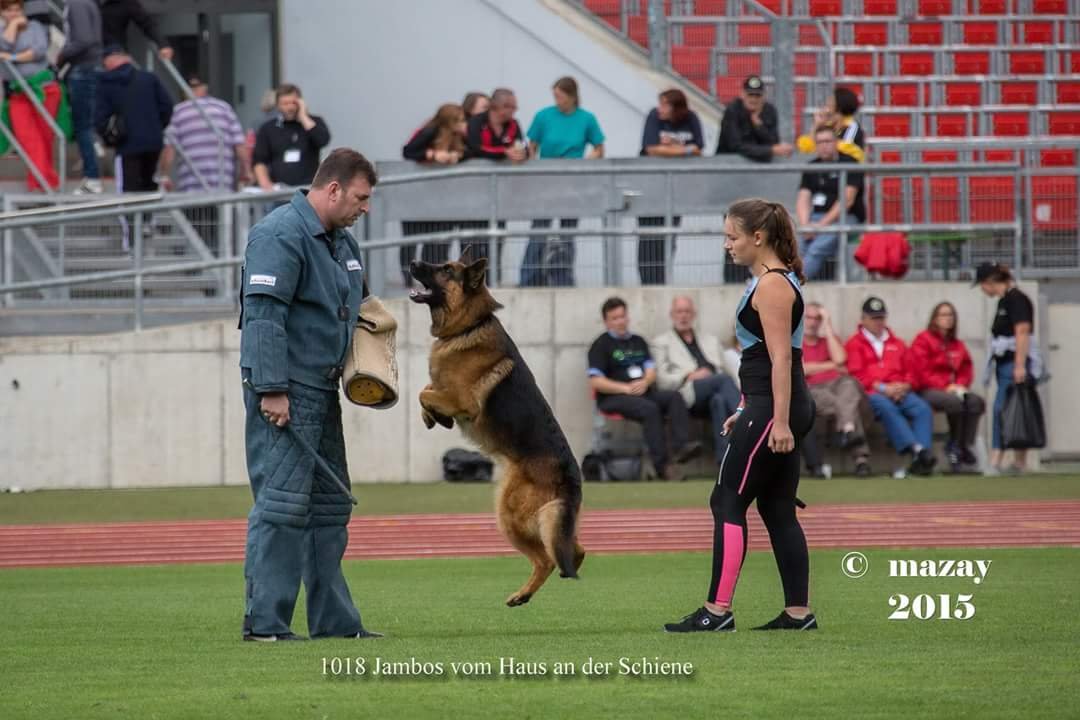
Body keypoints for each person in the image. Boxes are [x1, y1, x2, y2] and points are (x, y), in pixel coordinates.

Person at [238, 148, 383, 642]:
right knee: (280, 505)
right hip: (286, 391)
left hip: (322, 391)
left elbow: (360, 310)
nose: (366, 208)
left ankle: (336, 623)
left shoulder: (343, 244)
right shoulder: (279, 235)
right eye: (361, 198)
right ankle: (265, 624)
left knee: (327, 508)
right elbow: (263, 317)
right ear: (334, 188)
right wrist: (271, 389)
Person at [665, 198, 817, 633]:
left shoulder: (771, 285)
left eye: (732, 237)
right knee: (777, 508)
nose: (726, 245)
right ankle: (797, 614)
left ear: (758, 237)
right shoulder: (771, 281)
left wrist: (778, 420)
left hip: (776, 406)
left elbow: (780, 360)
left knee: (727, 500)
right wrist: (746, 409)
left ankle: (717, 611)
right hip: (769, 405)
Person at [588, 297, 702, 482]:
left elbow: (651, 371)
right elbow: (596, 382)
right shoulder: (600, 345)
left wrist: (645, 382)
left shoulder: (638, 341)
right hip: (613, 397)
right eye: (615, 318)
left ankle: (681, 447)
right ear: (606, 321)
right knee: (650, 409)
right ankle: (662, 467)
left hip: (644, 392)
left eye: (623, 316)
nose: (620, 321)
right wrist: (624, 388)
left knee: (674, 397)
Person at [521, 76, 605, 288]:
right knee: (539, 229)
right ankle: (529, 278)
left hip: (573, 182)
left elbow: (599, 148)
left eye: (560, 96)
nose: (557, 100)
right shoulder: (544, 116)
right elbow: (532, 147)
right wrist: (531, 169)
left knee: (567, 232)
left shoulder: (586, 118)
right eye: (555, 96)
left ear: (572, 96)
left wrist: (583, 163)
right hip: (546, 179)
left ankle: (563, 278)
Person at [845, 297, 937, 476]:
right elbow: (856, 375)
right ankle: (917, 450)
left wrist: (904, 386)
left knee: (922, 408)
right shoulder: (854, 344)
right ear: (863, 319)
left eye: (881, 317)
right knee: (885, 405)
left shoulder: (898, 343)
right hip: (872, 394)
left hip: (899, 393)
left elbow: (912, 372)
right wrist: (882, 388)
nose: (878, 322)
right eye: (874, 318)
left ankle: (921, 459)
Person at [651, 296, 742, 467]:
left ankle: (724, 461)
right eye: (679, 312)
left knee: (719, 400)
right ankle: (747, 421)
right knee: (722, 380)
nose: (683, 316)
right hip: (685, 393)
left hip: (714, 391)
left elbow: (726, 370)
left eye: (687, 311)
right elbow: (662, 381)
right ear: (672, 314)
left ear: (694, 315)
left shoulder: (710, 340)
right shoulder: (661, 342)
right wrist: (688, 375)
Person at [974, 262, 1043, 475]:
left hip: (1014, 361)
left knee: (1002, 408)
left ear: (989, 282)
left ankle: (996, 459)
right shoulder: (1006, 300)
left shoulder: (1016, 299)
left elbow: (1022, 331)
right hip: (1005, 362)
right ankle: (1018, 461)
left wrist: (1020, 365)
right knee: (1015, 408)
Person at [637, 89, 703, 285]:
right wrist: (684, 149)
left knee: (669, 238)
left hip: (675, 190)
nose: (660, 109)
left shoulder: (691, 119)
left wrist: (669, 146)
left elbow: (698, 148)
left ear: (677, 108)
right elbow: (650, 148)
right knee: (648, 239)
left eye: (665, 105)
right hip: (650, 188)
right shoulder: (653, 116)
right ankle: (648, 282)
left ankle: (664, 280)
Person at [910, 301, 986, 473]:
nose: (948, 319)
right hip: (928, 390)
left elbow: (966, 367)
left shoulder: (957, 344)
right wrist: (946, 386)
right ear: (935, 319)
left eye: (950, 315)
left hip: (954, 389)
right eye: (943, 315)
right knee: (954, 402)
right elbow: (921, 371)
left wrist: (961, 385)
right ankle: (954, 445)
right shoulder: (923, 340)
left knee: (976, 402)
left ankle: (963, 445)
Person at [400, 103, 470, 284]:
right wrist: (432, 154)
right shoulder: (430, 131)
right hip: (419, 195)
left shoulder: (460, 136)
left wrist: (456, 156)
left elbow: (472, 151)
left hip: (442, 198)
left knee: (439, 241)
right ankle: (408, 277)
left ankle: (434, 277)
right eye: (459, 120)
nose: (463, 124)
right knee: (412, 237)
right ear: (448, 122)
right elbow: (408, 151)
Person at [801, 302, 872, 478]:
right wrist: (831, 365)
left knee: (849, 384)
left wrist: (828, 325)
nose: (812, 322)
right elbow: (801, 369)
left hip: (837, 385)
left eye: (817, 318)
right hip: (811, 389)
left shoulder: (827, 340)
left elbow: (840, 359)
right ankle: (860, 459)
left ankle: (847, 430)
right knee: (848, 405)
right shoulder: (794, 341)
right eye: (809, 317)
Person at [0, 0, 64, 191]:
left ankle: (40, 183)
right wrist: (12, 26)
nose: (14, 13)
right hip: (19, 93)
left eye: (17, 10)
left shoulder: (35, 27)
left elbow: (39, 51)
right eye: (9, 10)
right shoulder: (4, 29)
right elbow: (3, 45)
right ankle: (45, 183)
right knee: (27, 137)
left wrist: (11, 57)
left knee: (44, 137)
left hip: (44, 90)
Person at [465, 88, 528, 273]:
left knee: (499, 236)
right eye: (510, 106)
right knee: (475, 238)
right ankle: (472, 278)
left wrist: (522, 153)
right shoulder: (476, 122)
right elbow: (474, 148)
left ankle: (495, 275)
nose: (513, 111)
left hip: (501, 191)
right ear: (497, 106)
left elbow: (523, 145)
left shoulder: (514, 124)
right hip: (475, 189)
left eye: (515, 107)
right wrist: (503, 152)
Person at [95, 46, 173, 193]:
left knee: (128, 190)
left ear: (108, 61)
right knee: (148, 185)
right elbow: (167, 106)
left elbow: (100, 119)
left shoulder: (105, 84)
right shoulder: (149, 78)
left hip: (126, 145)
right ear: (126, 58)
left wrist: (110, 138)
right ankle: (147, 216)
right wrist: (156, 126)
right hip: (153, 142)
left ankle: (130, 216)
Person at [795, 123, 866, 281]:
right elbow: (803, 197)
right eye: (820, 142)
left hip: (846, 218)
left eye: (828, 141)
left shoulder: (850, 164)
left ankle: (794, 283)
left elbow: (846, 201)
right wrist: (805, 224)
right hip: (815, 217)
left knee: (816, 248)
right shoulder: (812, 166)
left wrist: (821, 226)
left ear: (836, 142)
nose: (824, 146)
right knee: (796, 246)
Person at [159, 76, 250, 192]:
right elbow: (239, 145)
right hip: (222, 186)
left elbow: (169, 149)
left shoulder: (179, 111)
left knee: (196, 210)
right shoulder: (224, 109)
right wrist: (246, 171)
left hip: (191, 187)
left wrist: (164, 175)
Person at [56, 0, 102, 194]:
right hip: (84, 67)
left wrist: (61, 55)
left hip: (82, 68)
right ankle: (93, 153)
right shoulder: (84, 3)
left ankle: (92, 177)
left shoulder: (77, 4)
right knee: (84, 124)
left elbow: (83, 40)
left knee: (83, 125)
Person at [253, 83, 331, 191]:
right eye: (285, 104)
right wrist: (266, 185)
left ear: (300, 102)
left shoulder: (313, 122)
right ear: (277, 105)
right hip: (279, 191)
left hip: (308, 189)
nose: (290, 107)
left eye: (293, 103)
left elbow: (323, 140)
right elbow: (259, 160)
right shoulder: (268, 128)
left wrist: (304, 117)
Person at [714, 75, 794, 163]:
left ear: (764, 96)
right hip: (728, 165)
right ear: (742, 94)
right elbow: (735, 146)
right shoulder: (733, 111)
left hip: (761, 167)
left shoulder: (769, 111)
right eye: (750, 94)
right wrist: (769, 150)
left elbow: (774, 142)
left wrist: (759, 126)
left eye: (758, 95)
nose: (753, 99)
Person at [798, 86, 866, 163]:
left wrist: (820, 146)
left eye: (831, 100)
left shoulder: (852, 126)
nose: (827, 102)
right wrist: (816, 125)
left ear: (839, 103)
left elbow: (847, 150)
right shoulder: (827, 125)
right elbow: (806, 147)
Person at [99, 0, 173, 61]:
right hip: (91, 55)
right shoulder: (91, 3)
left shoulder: (126, 3)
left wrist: (163, 44)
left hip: (115, 54)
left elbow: (147, 23)